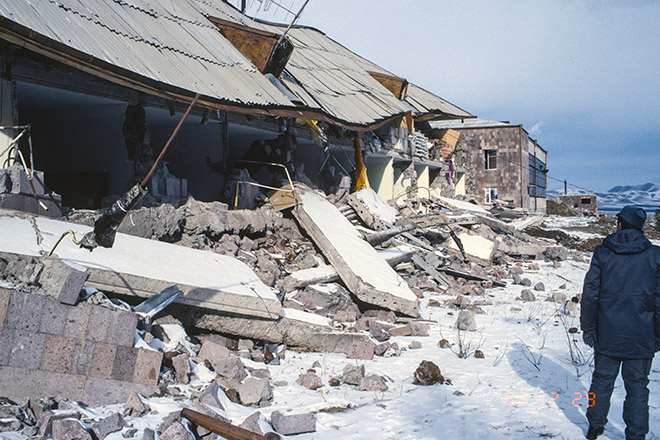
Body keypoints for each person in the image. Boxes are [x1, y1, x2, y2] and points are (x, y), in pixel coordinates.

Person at [581, 205, 660, 439]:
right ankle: (636, 434)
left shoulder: (602, 253)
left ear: (621, 224)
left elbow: (590, 294)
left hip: (608, 333)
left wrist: (589, 328)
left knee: (601, 383)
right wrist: (658, 334)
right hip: (641, 333)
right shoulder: (655, 256)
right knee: (637, 387)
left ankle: (595, 425)